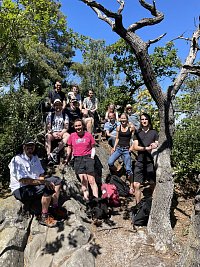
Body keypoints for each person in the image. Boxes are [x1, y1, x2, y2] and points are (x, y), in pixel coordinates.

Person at [8, 138, 65, 227]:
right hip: (21, 189)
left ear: (34, 147)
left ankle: (54, 207)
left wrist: (42, 181)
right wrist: (43, 182)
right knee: (48, 187)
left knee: (57, 180)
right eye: (28, 145)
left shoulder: (35, 158)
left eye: (32, 145)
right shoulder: (17, 160)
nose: (30, 147)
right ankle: (44, 216)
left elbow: (41, 173)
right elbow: (23, 180)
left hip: (34, 185)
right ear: (24, 147)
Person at [65, 119, 98, 200]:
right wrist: (67, 158)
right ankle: (87, 200)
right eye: (76, 126)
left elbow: (93, 147)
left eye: (79, 125)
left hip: (88, 157)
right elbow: (69, 147)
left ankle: (97, 201)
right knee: (84, 181)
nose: (78, 127)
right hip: (78, 159)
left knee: (92, 180)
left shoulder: (88, 135)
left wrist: (92, 157)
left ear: (83, 126)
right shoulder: (72, 136)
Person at [130, 113, 159, 204]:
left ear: (149, 120)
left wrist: (155, 144)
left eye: (145, 119)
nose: (144, 121)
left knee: (152, 184)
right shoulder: (137, 133)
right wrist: (146, 148)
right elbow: (135, 146)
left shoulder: (154, 132)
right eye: (142, 119)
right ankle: (138, 206)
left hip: (150, 162)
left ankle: (154, 205)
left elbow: (157, 143)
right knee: (136, 185)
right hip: (140, 161)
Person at [108, 113, 135, 193]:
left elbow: (133, 139)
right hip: (119, 149)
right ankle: (117, 172)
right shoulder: (118, 127)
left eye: (124, 118)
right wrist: (114, 147)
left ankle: (131, 185)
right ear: (120, 119)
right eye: (121, 118)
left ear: (127, 119)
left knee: (129, 170)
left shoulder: (131, 128)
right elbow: (117, 138)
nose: (123, 120)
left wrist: (131, 147)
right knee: (110, 162)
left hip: (126, 150)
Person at [45, 99, 70, 164]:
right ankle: (48, 156)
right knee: (47, 136)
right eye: (56, 105)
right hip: (52, 132)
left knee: (68, 136)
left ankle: (55, 152)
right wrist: (53, 133)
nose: (58, 107)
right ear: (54, 106)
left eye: (59, 105)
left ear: (61, 106)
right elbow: (48, 127)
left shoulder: (65, 115)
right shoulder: (50, 115)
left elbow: (66, 127)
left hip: (62, 132)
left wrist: (61, 133)